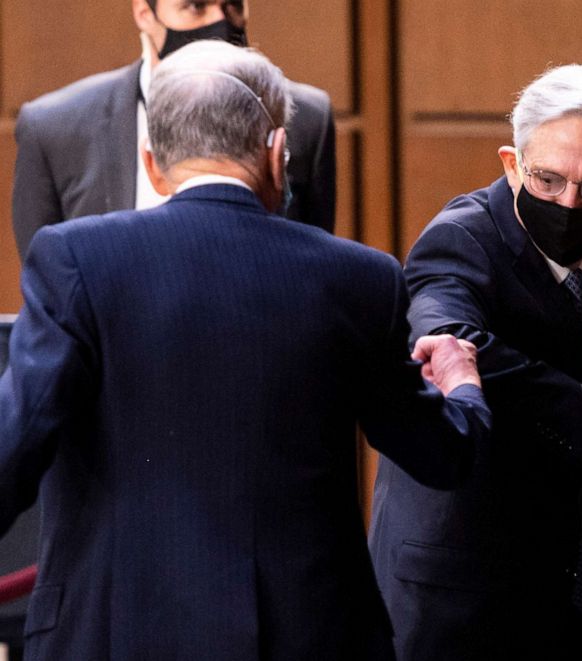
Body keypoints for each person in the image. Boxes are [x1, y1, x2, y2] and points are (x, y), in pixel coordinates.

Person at [0, 41, 491, 661]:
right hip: (311, 637)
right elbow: (444, 455)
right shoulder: (360, 278)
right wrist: (461, 381)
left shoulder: (74, 260)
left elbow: (12, 445)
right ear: (278, 154)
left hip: (113, 632)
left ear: (152, 164)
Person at [369, 64, 582, 661]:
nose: (569, 203)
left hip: (576, 576)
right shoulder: (460, 240)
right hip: (468, 588)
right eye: (547, 179)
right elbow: (449, 336)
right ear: (511, 163)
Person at [11, 0, 336, 260]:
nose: (220, 22)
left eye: (233, 6)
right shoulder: (53, 127)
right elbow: (47, 288)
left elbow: (315, 265)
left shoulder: (307, 118)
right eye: (195, 6)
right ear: (144, 12)